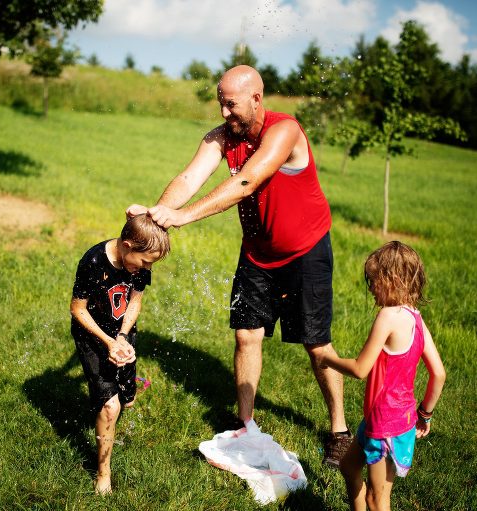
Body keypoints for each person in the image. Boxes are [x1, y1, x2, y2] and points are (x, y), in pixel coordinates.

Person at [126, 64, 352, 466]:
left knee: (316, 344)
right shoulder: (221, 137)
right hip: (257, 253)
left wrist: (183, 217)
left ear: (256, 98)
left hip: (305, 251)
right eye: (221, 103)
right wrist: (158, 214)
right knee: (247, 336)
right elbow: (189, 178)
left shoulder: (284, 131)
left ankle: (339, 431)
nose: (224, 112)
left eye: (231, 104)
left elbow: (247, 182)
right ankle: (245, 424)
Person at [318, 241, 446, 511]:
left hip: (385, 425)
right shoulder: (416, 317)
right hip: (391, 418)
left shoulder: (387, 316)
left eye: (374, 281)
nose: (371, 288)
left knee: (378, 499)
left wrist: (327, 358)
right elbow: (439, 374)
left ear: (393, 280)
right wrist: (425, 415)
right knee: (348, 467)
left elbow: (360, 369)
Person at [70, 213, 170, 495]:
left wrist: (123, 337)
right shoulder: (93, 262)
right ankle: (104, 473)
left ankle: (111, 408)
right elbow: (77, 309)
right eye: (145, 261)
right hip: (92, 337)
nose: (147, 268)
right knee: (110, 406)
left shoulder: (140, 264)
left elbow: (135, 302)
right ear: (127, 246)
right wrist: (108, 342)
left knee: (127, 401)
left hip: (121, 334)